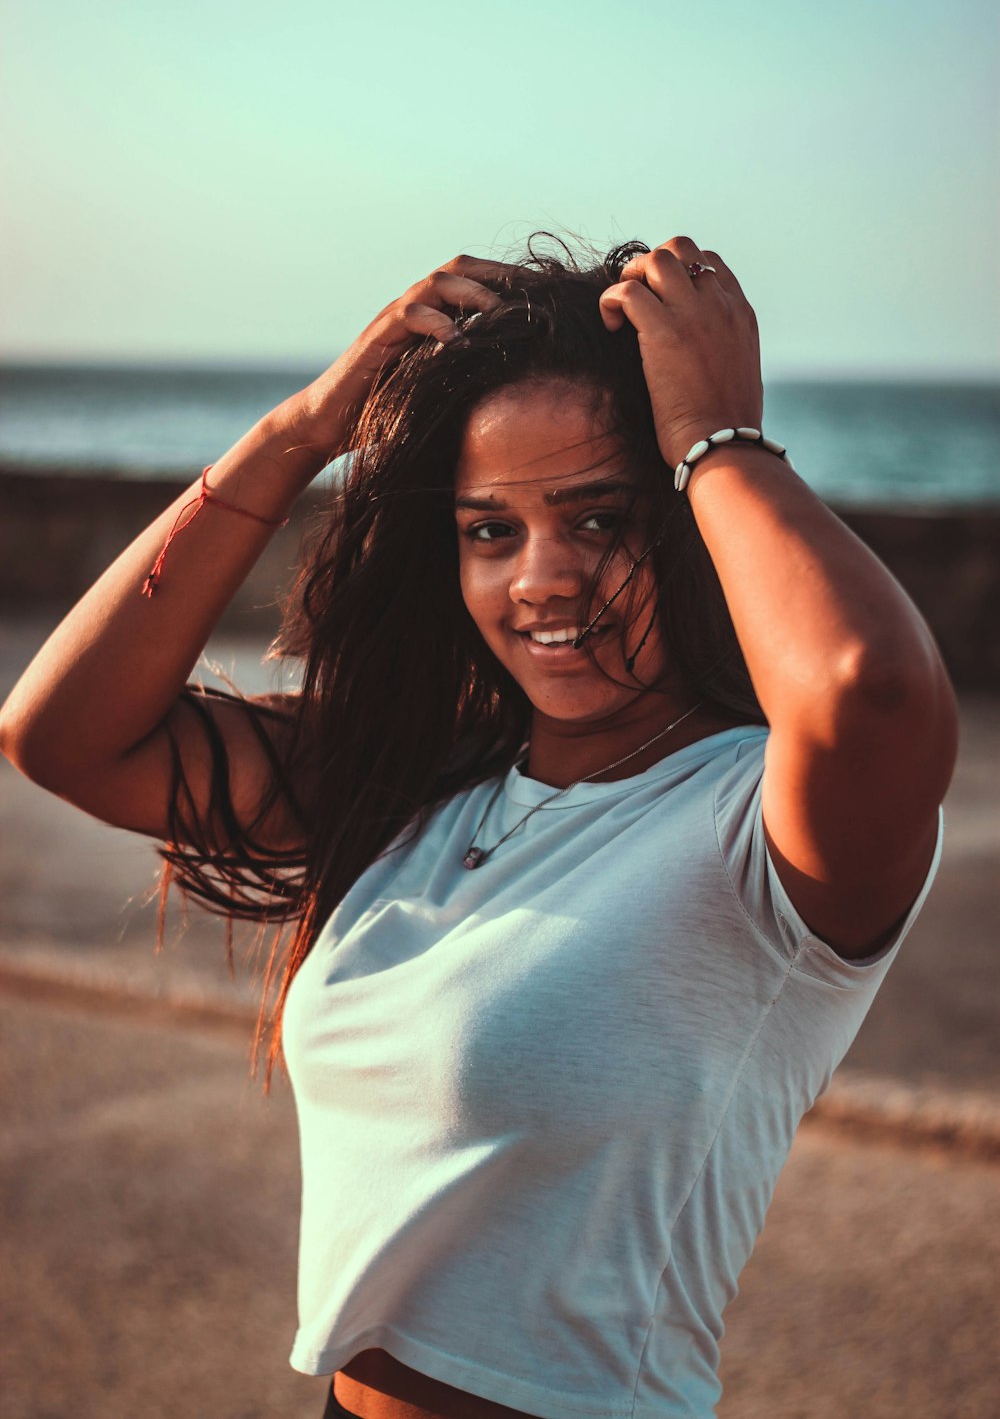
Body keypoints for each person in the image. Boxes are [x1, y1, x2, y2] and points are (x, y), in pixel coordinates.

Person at [0, 234, 958, 1419]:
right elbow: (60, 735)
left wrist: (718, 439)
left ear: (687, 522)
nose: (540, 579)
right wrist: (299, 434)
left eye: (600, 521)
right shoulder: (415, 777)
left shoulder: (757, 827)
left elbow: (872, 685)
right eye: (488, 530)